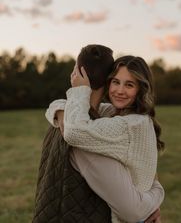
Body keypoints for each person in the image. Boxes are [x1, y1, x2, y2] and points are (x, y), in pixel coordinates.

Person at [33, 45, 164, 223]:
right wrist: (60, 111)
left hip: (137, 211)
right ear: (107, 81)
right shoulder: (110, 114)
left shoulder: (130, 124)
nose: (119, 90)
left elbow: (75, 132)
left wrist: (157, 194)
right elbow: (58, 105)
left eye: (129, 85)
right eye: (116, 82)